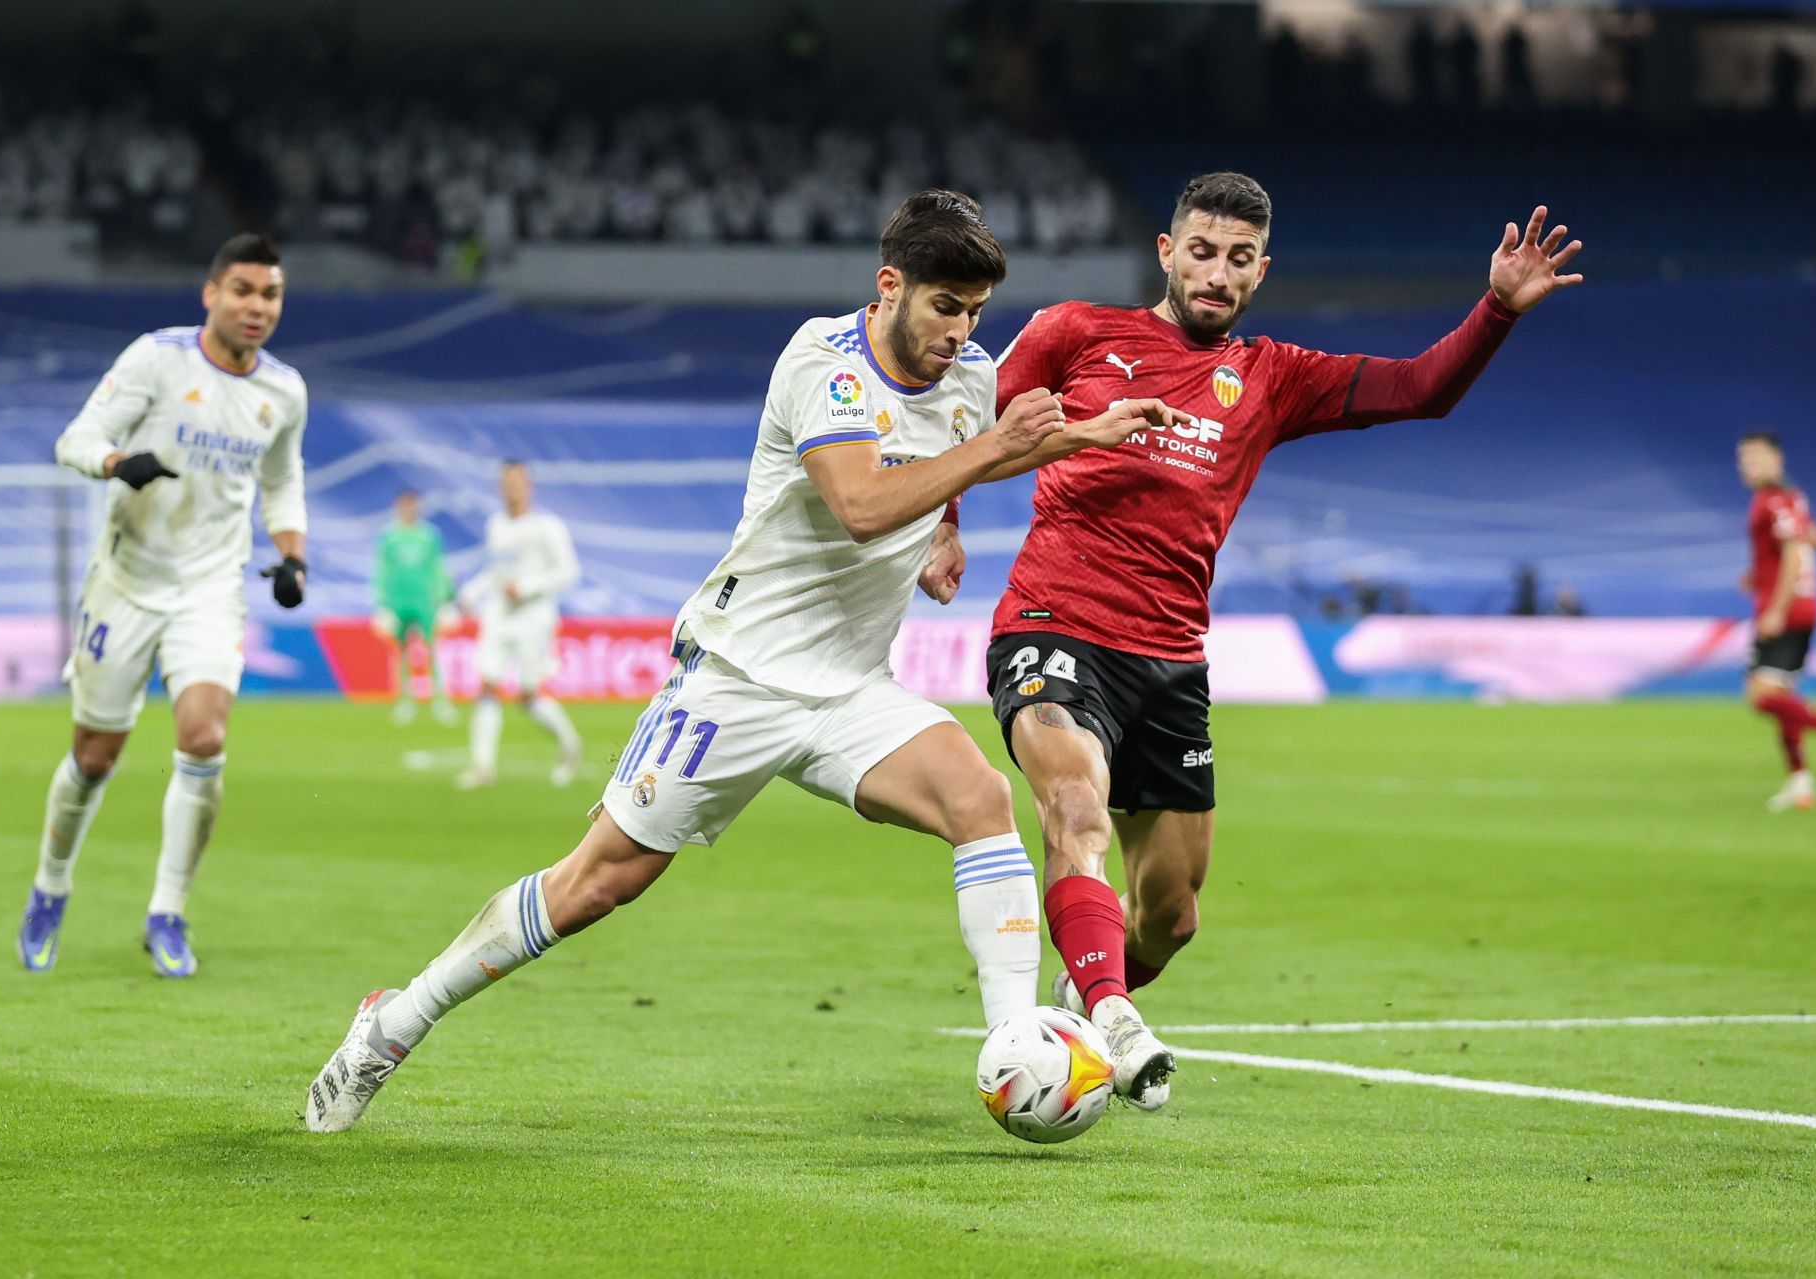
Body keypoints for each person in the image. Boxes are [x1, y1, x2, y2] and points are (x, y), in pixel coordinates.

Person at [303, 190, 1184, 1132]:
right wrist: (999, 449)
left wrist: (1067, 438)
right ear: (889, 287)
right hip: (740, 676)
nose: (961, 331)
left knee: (980, 800)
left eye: (975, 312)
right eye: (944, 306)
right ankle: (391, 1024)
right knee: (598, 882)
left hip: (850, 686)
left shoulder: (969, 375)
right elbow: (860, 503)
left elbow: (967, 449)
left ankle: (1019, 1043)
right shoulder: (824, 364)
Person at [957, 171, 1584, 1109]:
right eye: (1202, 252)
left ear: (1260, 270)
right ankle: (1114, 1021)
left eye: (1238, 259)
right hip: (1054, 625)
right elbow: (965, 424)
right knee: (1075, 810)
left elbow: (1418, 389)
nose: (1217, 272)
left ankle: (1090, 991)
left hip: (1170, 659)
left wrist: (1495, 309)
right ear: (1167, 252)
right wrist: (942, 522)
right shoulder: (1075, 331)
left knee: (1170, 918)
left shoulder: (1273, 377)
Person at [18, 232, 308, 978]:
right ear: (210, 293)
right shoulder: (157, 357)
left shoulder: (284, 393)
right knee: (94, 755)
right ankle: (50, 886)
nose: (256, 306)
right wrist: (118, 461)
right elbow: (75, 438)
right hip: (126, 581)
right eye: (242, 290)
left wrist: (292, 554)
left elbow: (282, 480)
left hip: (210, 589)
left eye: (270, 294)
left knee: (204, 739)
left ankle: (167, 912)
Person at [1735, 431, 1816, 812]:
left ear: (1777, 459)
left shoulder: (1773, 501)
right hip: (1801, 605)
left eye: (1756, 457)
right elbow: (1814, 538)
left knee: (1761, 697)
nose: (1748, 465)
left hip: (1788, 610)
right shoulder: (1791, 497)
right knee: (1782, 696)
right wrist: (1758, 574)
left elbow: (1793, 552)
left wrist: (1775, 606)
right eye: (1743, 459)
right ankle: (1801, 782)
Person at [454, 461, 583, 790]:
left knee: (527, 695)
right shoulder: (496, 524)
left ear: (529, 486)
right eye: (505, 482)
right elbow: (496, 571)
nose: (511, 487)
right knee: (487, 684)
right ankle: (483, 767)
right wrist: (472, 591)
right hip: (498, 614)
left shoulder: (547, 527)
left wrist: (527, 587)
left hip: (534, 617)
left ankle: (569, 743)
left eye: (517, 481)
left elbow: (569, 572)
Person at [372, 487, 458, 726]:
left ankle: (440, 700)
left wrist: (445, 598)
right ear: (398, 506)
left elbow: (438, 568)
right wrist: (381, 603)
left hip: (424, 600)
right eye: (405, 504)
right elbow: (382, 570)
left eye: (413, 504)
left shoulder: (429, 535)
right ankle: (405, 701)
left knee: (431, 649)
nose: (410, 509)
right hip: (398, 601)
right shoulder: (389, 536)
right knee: (400, 652)